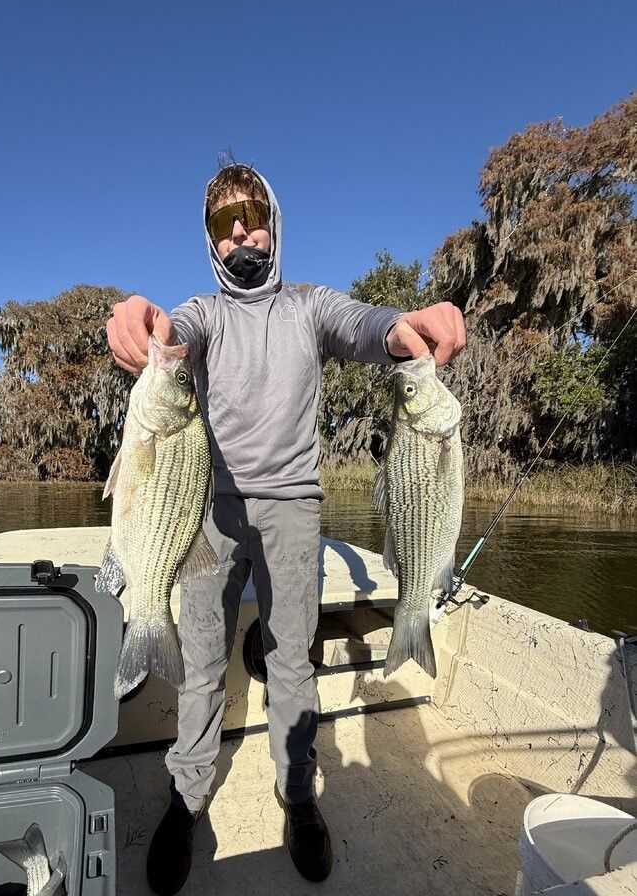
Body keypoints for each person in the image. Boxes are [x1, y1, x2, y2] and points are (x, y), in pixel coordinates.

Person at [107, 164, 465, 894]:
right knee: (203, 664)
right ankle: (188, 796)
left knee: (293, 662)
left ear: (273, 218)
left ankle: (298, 796)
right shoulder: (205, 312)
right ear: (210, 239)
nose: (240, 228)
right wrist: (141, 313)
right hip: (210, 509)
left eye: (251, 212)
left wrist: (409, 329)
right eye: (222, 221)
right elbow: (169, 332)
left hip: (296, 509)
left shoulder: (310, 305)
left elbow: (368, 326)